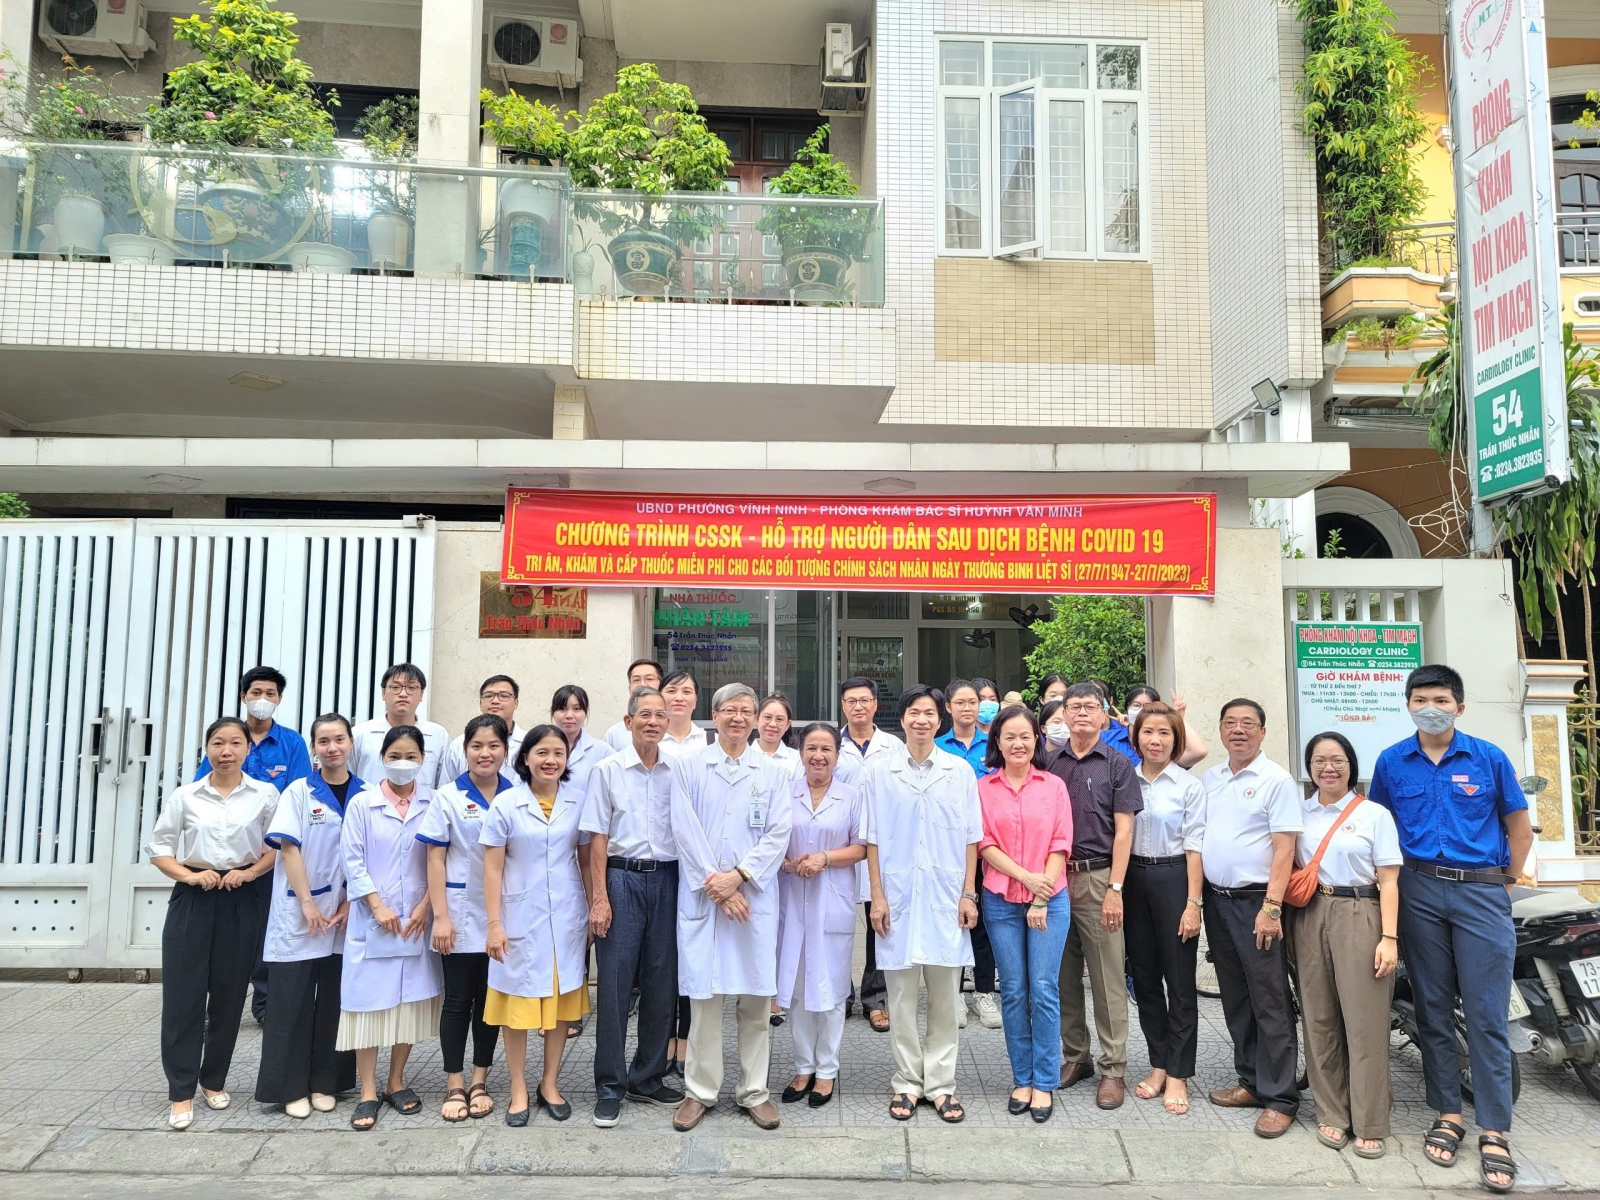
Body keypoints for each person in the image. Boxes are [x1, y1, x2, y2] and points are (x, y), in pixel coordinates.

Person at [1368, 664, 1533, 1191]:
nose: (1430, 708)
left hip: (1481, 890)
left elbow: (1519, 829)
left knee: (1485, 1014)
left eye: (1440, 699)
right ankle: (1448, 1114)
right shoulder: (1392, 761)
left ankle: (1494, 1130)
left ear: (1459, 707)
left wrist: (1503, 884)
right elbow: (1378, 827)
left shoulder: (1489, 758)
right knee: (1432, 1007)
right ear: (1408, 705)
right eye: (1420, 699)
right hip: (1417, 890)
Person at [668, 682, 793, 1133]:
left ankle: (754, 1091)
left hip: (752, 899)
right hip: (706, 898)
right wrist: (718, 885)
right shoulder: (688, 765)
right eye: (729, 710)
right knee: (703, 1002)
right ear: (714, 714)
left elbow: (779, 833)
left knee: (756, 1002)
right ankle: (700, 1091)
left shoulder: (774, 772)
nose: (738, 718)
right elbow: (684, 829)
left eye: (746, 711)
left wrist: (738, 876)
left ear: (756, 719)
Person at [148, 717, 281, 1130]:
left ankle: (213, 1080)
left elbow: (277, 846)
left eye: (235, 743)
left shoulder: (264, 794)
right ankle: (181, 1091)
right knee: (183, 998)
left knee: (229, 995)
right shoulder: (186, 796)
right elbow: (159, 848)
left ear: (247, 749)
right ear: (207, 749)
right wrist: (188, 876)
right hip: (193, 898)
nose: (226, 751)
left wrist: (251, 872)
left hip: (241, 897)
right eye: (218, 743)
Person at [864, 684, 983, 1124]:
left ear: (940, 719)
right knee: (899, 999)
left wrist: (968, 893)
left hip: (945, 898)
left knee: (945, 1000)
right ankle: (907, 1082)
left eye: (929, 713)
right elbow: (871, 837)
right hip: (896, 897)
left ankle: (941, 1084)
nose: (922, 720)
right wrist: (877, 895)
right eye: (914, 712)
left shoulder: (959, 771)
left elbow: (971, 837)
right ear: (902, 719)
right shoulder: (880, 771)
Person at [1293, 731, 1401, 1159]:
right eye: (1319, 761)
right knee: (1318, 1017)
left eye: (1337, 760)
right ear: (1309, 768)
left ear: (1351, 765)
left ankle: (1370, 1120)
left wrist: (1389, 937)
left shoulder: (1374, 814)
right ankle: (1332, 1112)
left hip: (1360, 912)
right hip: (1310, 913)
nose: (1328, 768)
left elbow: (1389, 880)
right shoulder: (1299, 812)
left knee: (1364, 1021)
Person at [1197, 698, 1302, 1137]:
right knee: (1236, 996)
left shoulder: (1276, 780)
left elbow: (1285, 847)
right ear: (1221, 730)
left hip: (1258, 902)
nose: (1237, 730)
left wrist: (1272, 907)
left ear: (1263, 731)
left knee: (1269, 998)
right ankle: (1251, 1082)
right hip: (1218, 902)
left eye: (1247, 723)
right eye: (1229, 723)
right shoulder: (1212, 778)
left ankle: (1281, 1097)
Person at [583, 686, 686, 1128]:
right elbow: (597, 838)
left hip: (668, 880)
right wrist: (599, 898)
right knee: (615, 984)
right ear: (628, 722)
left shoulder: (678, 770)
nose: (653, 722)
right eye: (644, 714)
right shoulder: (606, 770)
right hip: (621, 879)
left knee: (662, 982)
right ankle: (610, 1084)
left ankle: (647, 1076)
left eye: (660, 715)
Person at [481, 724, 593, 1126]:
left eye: (558, 753)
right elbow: (492, 869)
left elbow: (585, 860)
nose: (550, 760)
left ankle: (549, 1083)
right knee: (518, 1006)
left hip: (566, 915)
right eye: (542, 752)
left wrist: (594, 906)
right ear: (525, 758)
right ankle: (518, 1088)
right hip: (519, 918)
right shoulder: (506, 804)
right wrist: (494, 924)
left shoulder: (578, 801)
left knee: (561, 1005)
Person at [191, 665, 313, 1023]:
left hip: (271, 854)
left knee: (265, 927)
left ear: (279, 699)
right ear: (243, 696)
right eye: (256, 692)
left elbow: (300, 795)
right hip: (226, 854)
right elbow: (202, 790)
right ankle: (217, 1006)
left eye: (270, 694)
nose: (263, 699)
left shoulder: (291, 743)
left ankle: (264, 1005)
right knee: (222, 934)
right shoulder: (227, 740)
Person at [255, 714, 361, 1119]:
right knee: (291, 1001)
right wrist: (306, 904)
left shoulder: (367, 793)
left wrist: (351, 902)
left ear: (351, 743)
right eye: (323, 741)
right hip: (300, 912)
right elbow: (288, 848)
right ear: (314, 747)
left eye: (339, 739)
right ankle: (290, 1087)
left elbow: (370, 855)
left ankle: (326, 1082)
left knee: (336, 999)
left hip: (345, 913)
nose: (332, 748)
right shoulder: (299, 791)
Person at [338, 725, 443, 1131]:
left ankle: (396, 1081)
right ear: (382, 758)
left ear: (423, 760)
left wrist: (426, 906)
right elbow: (352, 860)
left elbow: (442, 857)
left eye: (411, 756)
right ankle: (368, 1090)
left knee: (407, 1004)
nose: (403, 763)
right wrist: (377, 906)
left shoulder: (434, 802)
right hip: (373, 918)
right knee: (367, 1005)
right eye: (395, 756)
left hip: (417, 918)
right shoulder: (362, 804)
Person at [1047, 682, 1141, 1109]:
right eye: (1074, 706)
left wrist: (1115, 890)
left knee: (1106, 978)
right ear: (1063, 715)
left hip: (1099, 877)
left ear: (1105, 715)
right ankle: (1076, 1056)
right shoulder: (1049, 763)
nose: (1082, 712)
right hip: (1054, 880)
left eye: (1090, 706)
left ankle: (1113, 1067)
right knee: (1063, 975)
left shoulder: (1118, 764)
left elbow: (1125, 832)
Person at [977, 705, 1072, 1122]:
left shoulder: (1053, 786)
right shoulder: (983, 788)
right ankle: (1022, 1078)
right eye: (1009, 736)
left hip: (1050, 899)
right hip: (1000, 899)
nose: (1018, 743)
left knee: (1044, 988)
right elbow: (983, 843)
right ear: (997, 741)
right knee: (1014, 990)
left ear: (1037, 740)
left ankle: (1045, 1081)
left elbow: (1060, 842)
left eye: (1025, 736)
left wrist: (1040, 895)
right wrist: (1024, 879)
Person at [419, 714, 515, 1122]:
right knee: (458, 1000)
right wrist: (440, 916)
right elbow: (434, 859)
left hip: (502, 914)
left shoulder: (516, 794)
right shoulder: (448, 796)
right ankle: (454, 1083)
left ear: (505, 751)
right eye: (477, 746)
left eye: (493, 745)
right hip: (458, 912)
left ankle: (480, 1079)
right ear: (465, 751)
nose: (485, 753)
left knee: (489, 1000)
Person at [775, 723, 866, 1108]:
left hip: (832, 901)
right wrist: (787, 863)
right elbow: (769, 841)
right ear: (800, 753)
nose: (818, 756)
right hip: (792, 899)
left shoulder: (852, 796)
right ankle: (803, 1066)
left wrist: (825, 858)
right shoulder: (783, 793)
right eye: (811, 748)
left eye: (826, 749)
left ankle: (826, 1069)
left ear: (837, 756)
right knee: (797, 989)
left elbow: (862, 847)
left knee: (830, 990)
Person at [1123, 702, 1205, 1117]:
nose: (1155, 740)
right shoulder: (1125, 777)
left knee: (1180, 981)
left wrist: (1193, 903)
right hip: (1132, 880)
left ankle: (1178, 1073)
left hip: (1174, 878)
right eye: (1148, 732)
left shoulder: (1189, 786)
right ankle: (1158, 1063)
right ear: (1136, 736)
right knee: (1144, 980)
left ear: (1176, 740)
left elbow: (1195, 847)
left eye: (1164, 733)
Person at [836, 675, 899, 1032]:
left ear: (875, 705)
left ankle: (876, 999)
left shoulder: (893, 747)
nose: (858, 706)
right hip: (842, 846)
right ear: (843, 706)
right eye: (851, 701)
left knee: (879, 922)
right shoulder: (832, 744)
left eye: (864, 700)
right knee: (838, 923)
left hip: (882, 846)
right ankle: (841, 995)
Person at [937, 679, 999, 1031]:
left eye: (972, 702)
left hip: (989, 849)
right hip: (949, 849)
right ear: (948, 707)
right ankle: (955, 994)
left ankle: (985, 992)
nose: (967, 708)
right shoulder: (937, 747)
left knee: (984, 924)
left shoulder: (994, 746)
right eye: (960, 702)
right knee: (952, 922)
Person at [659, 670, 711, 1078]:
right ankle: (664, 1040)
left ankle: (688, 1038)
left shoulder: (706, 743)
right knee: (666, 955)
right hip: (661, 859)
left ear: (697, 700)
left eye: (687, 691)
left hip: (697, 862)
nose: (679, 697)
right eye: (672, 690)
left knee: (693, 952)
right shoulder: (649, 737)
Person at [350, 664, 451, 789]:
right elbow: (348, 778)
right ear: (383, 693)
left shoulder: (438, 735)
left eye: (411, 688)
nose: (403, 694)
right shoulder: (360, 734)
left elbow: (444, 784)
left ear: (421, 694)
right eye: (395, 687)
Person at [438, 676, 527, 783]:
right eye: (488, 696)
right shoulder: (458, 745)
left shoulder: (529, 743)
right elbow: (445, 786)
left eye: (503, 696)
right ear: (480, 703)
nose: (495, 701)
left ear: (516, 703)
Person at [1102, 685, 1209, 770]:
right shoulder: (1105, 738)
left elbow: (1199, 752)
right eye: (1136, 705)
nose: (1141, 711)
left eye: (1148, 707)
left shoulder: (1164, 744)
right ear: (1127, 708)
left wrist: (1178, 717)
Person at [550, 684, 612, 798]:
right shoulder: (537, 747)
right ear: (553, 712)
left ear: (585, 712)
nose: (569, 715)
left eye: (577, 709)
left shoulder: (603, 752)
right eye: (562, 709)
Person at [603, 659, 665, 751]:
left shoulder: (674, 731)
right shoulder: (614, 735)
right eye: (636, 680)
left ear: (661, 685)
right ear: (629, 688)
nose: (642, 684)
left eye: (649, 679)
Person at [751, 693, 801, 778]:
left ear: (787, 724)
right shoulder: (743, 755)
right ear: (757, 719)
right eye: (767, 717)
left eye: (779, 719)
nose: (772, 724)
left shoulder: (797, 759)